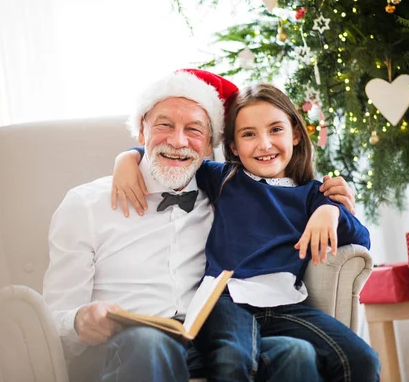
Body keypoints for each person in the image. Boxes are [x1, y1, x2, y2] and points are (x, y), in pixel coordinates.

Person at [43, 69, 356, 382]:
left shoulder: (223, 195)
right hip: (125, 347)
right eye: (164, 125)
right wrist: (79, 320)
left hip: (205, 341)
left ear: (210, 145)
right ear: (141, 131)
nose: (178, 141)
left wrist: (330, 204)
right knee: (150, 342)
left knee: (294, 351)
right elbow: (53, 318)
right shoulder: (86, 204)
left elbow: (284, 197)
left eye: (193, 130)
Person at [113, 82, 380, 382]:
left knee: (362, 359)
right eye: (249, 134)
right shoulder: (224, 178)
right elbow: (171, 154)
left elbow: (361, 241)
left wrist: (332, 211)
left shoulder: (313, 195)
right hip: (227, 299)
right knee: (234, 360)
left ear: (295, 133)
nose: (264, 144)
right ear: (234, 147)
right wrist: (126, 159)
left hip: (286, 305)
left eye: (275, 130)